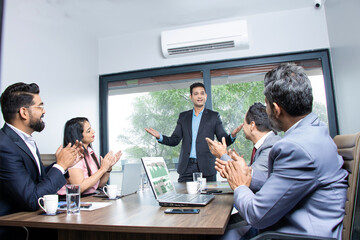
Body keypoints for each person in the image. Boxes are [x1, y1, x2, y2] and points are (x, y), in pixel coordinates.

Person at [207, 63, 348, 239]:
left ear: (276, 109)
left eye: (267, 105)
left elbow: (256, 215)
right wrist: (246, 172)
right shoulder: (316, 130)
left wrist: (240, 185)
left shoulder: (296, 148)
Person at [0, 82, 83, 239]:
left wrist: (65, 165)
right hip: (17, 230)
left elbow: (33, 180)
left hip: (33, 222)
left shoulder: (24, 140)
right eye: (39, 106)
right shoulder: (4, 146)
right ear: (24, 112)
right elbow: (32, 199)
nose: (44, 111)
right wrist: (60, 165)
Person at [145, 82, 242, 182]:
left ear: (206, 96)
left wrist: (232, 135)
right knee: (184, 196)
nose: (199, 96)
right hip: (186, 167)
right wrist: (159, 136)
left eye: (202, 93)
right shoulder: (183, 117)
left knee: (209, 197)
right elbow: (175, 140)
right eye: (196, 94)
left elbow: (223, 139)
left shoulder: (214, 116)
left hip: (206, 168)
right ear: (191, 97)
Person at [207, 102, 280, 192]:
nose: (243, 127)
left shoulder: (271, 146)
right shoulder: (263, 145)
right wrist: (232, 162)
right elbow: (251, 171)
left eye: (244, 123)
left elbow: (248, 177)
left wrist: (223, 154)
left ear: (252, 125)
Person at [58, 117, 122, 196]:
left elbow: (98, 185)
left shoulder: (89, 152)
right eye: (88, 131)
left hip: (88, 197)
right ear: (78, 135)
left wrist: (108, 168)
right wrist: (102, 169)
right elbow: (79, 188)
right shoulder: (73, 155)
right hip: (73, 201)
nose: (93, 132)